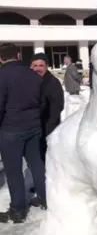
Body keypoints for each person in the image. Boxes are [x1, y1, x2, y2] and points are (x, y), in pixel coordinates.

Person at [0, 43, 47, 223]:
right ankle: (44, 197)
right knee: (36, 163)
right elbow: (42, 102)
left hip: (11, 129)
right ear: (18, 56)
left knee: (14, 171)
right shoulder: (33, 75)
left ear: (1, 58)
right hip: (33, 127)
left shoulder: (2, 75)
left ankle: (18, 209)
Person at [30, 53, 64, 159]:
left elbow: (57, 106)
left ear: (46, 66)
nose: (37, 69)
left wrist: (49, 129)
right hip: (35, 127)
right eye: (35, 66)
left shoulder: (52, 82)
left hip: (47, 128)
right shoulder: (32, 81)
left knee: (47, 156)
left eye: (41, 66)